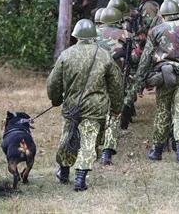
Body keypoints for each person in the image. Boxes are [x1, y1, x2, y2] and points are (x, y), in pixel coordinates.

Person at [47, 19, 123, 191]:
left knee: (68, 137)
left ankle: (64, 171)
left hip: (72, 106)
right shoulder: (104, 55)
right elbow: (116, 85)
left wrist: (55, 99)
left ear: (76, 36)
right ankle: (80, 177)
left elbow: (53, 83)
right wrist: (117, 107)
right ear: (94, 36)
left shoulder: (66, 55)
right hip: (95, 107)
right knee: (89, 140)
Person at [122, 0, 179, 163]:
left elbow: (146, 58)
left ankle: (157, 150)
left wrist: (139, 83)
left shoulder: (155, 30)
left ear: (163, 15)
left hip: (164, 75)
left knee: (163, 111)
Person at [96, 7, 132, 165]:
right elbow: (134, 57)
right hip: (116, 79)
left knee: (95, 113)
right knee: (114, 113)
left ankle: (92, 146)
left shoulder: (93, 33)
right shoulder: (125, 34)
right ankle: (107, 152)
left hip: (95, 78)